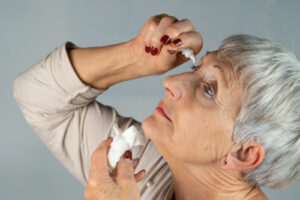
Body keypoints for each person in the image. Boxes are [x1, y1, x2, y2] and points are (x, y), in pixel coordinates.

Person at [13, 14, 300, 200]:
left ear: (243, 153)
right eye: (197, 68)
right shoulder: (147, 165)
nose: (171, 81)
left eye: (208, 90)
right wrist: (136, 58)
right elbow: (37, 97)